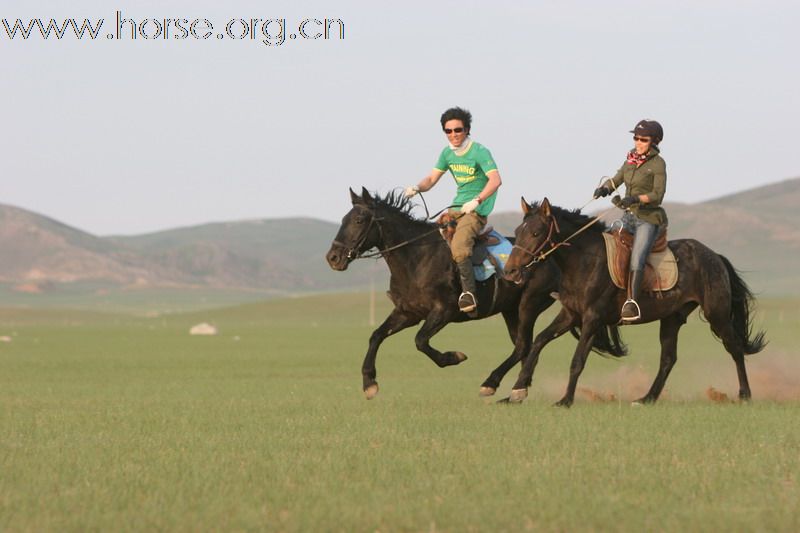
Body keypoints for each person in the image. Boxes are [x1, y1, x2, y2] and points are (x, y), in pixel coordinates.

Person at [404, 107, 502, 313]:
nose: (453, 135)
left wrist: (477, 200)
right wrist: (417, 187)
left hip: (476, 209)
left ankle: (469, 295)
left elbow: (496, 180)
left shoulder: (479, 151)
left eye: (458, 130)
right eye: (448, 131)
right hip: (456, 207)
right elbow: (431, 179)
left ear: (467, 129)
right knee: (434, 242)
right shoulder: (447, 154)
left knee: (459, 246)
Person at [593, 119, 667, 321]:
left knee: (637, 257)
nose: (638, 142)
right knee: (606, 246)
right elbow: (616, 179)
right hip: (628, 217)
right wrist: (605, 188)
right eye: (636, 137)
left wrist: (636, 198)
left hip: (648, 219)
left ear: (654, 142)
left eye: (643, 139)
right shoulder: (629, 161)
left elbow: (657, 195)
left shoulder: (658, 164)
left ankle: (632, 302)